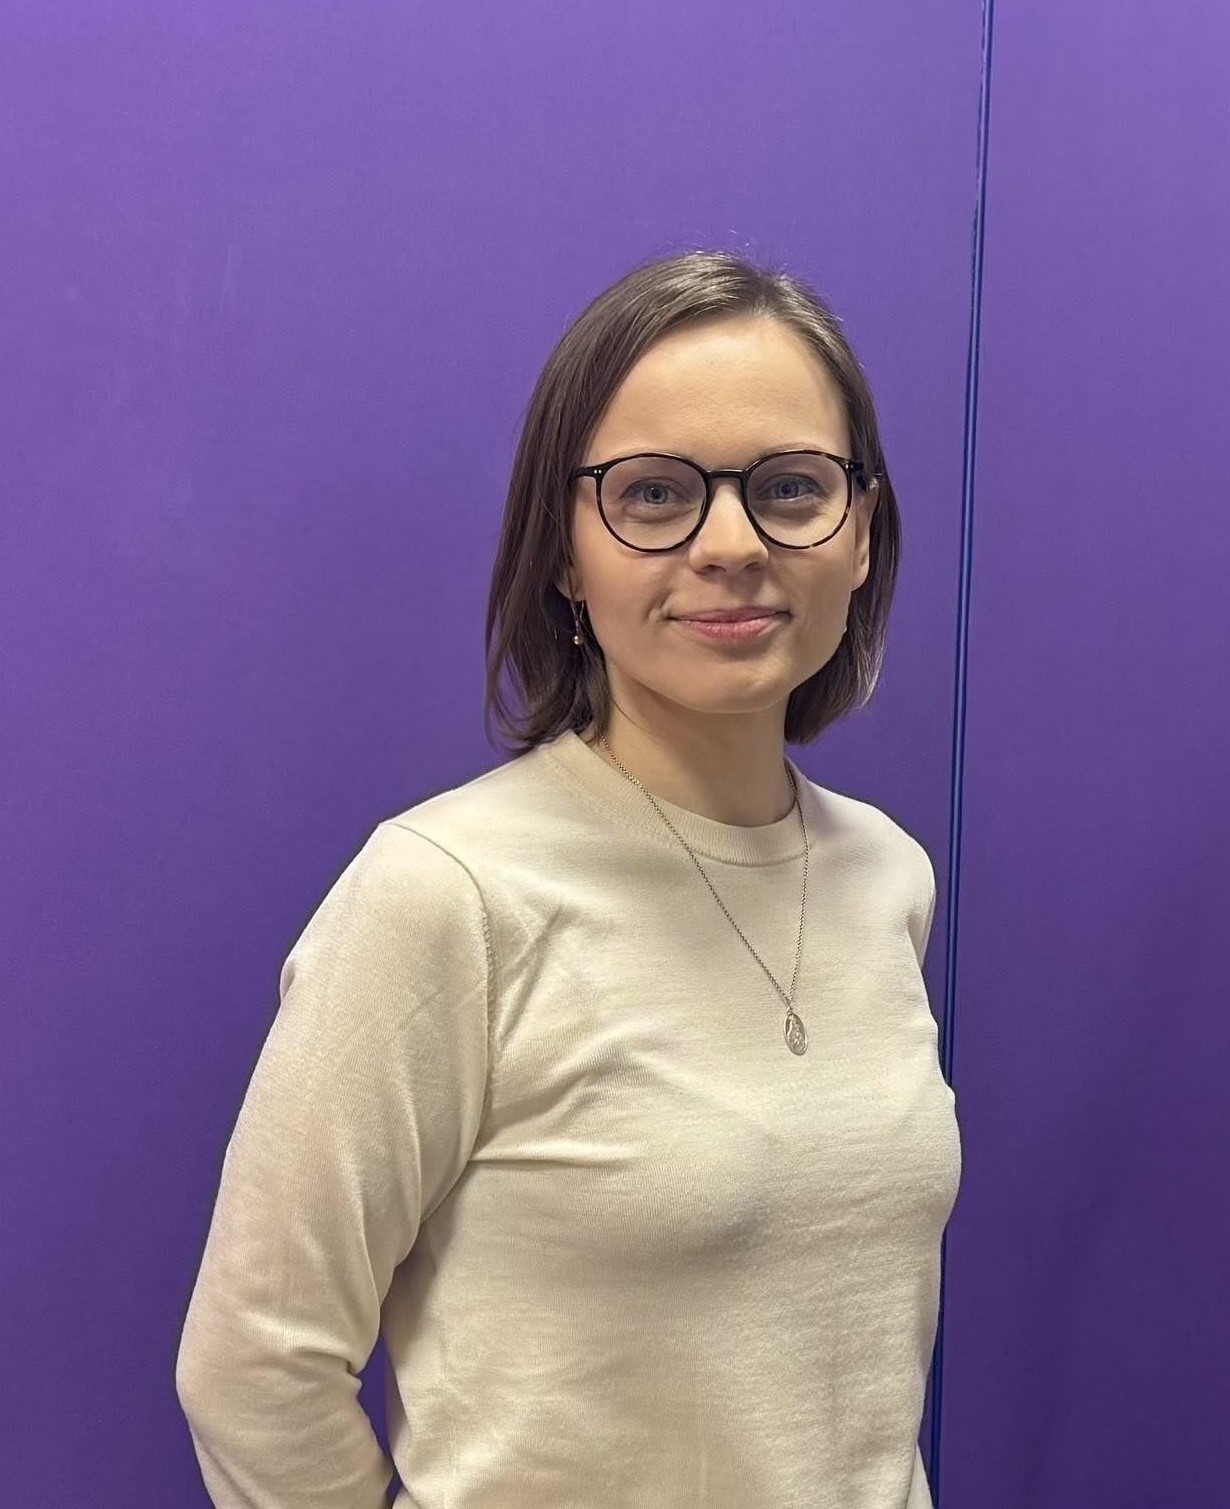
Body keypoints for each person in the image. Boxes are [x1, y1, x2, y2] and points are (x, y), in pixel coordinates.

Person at [175, 248, 962, 1508]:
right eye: (652, 494)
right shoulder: (445, 894)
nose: (730, 544)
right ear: (563, 553)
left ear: (860, 533)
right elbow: (252, 1365)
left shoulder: (887, 877)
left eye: (790, 488)